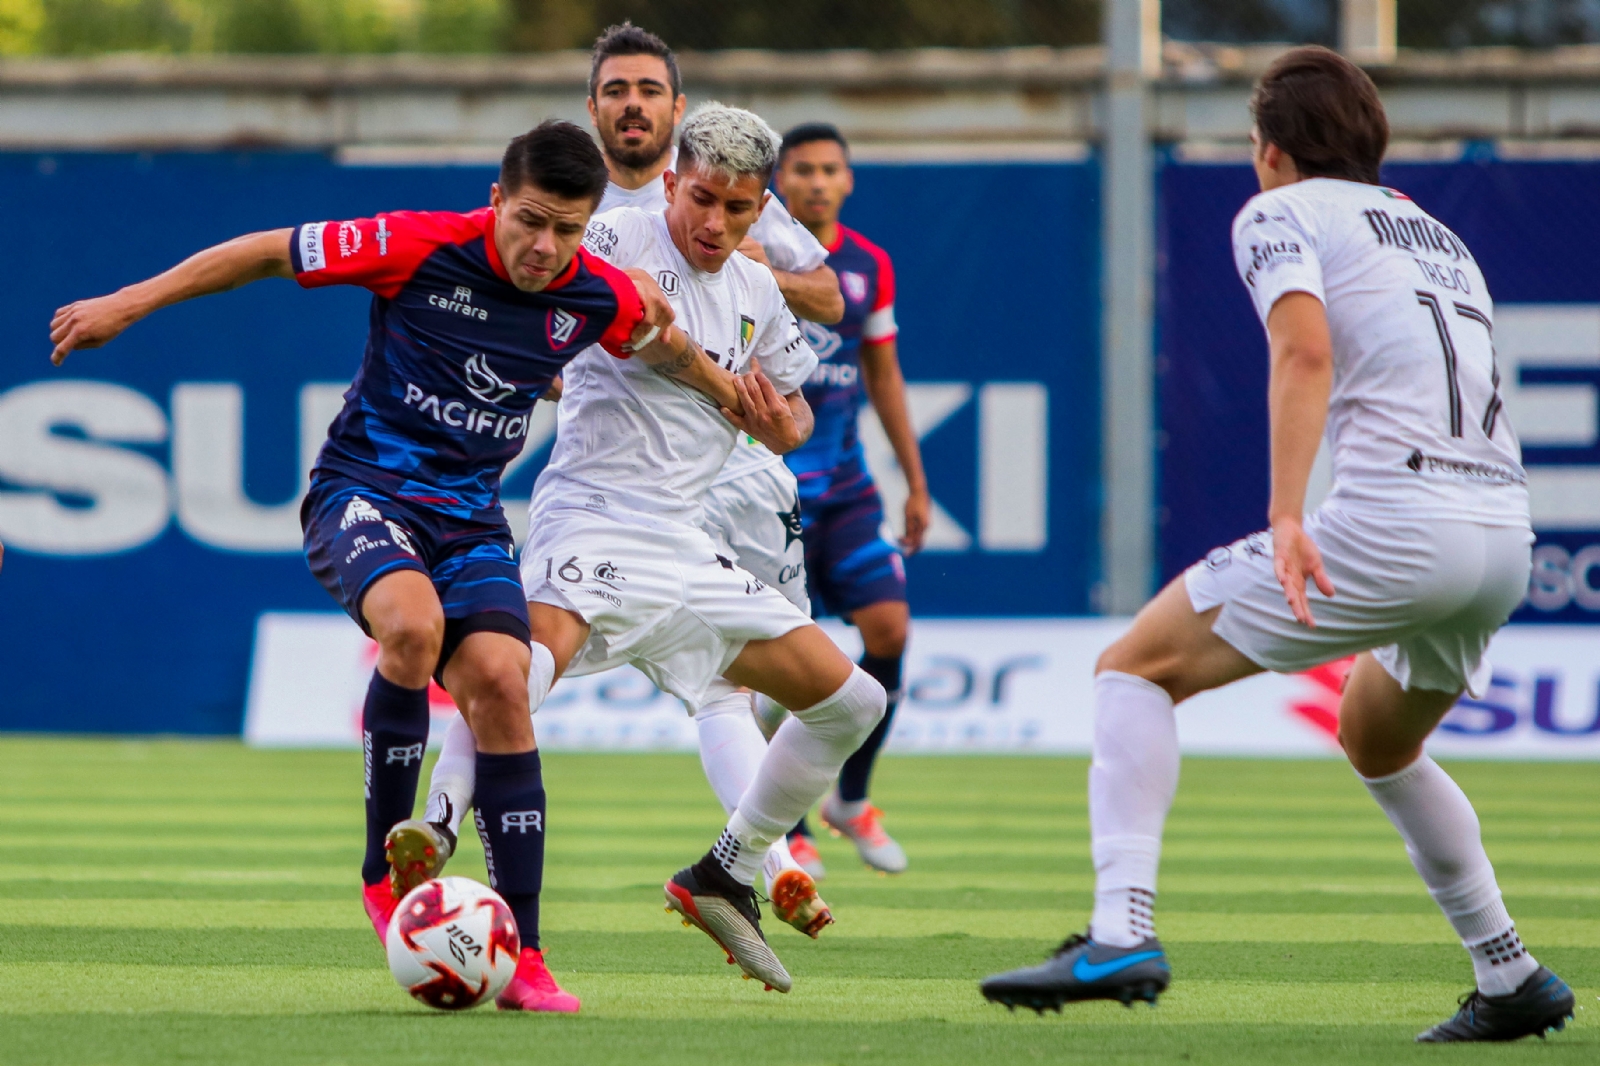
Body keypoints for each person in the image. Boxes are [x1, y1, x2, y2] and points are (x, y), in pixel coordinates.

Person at [45, 120, 723, 1014]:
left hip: (471, 518)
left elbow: (660, 337)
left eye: (567, 228)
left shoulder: (598, 295)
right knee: (411, 627)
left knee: (502, 682)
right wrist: (128, 304)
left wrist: (734, 396)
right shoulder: (416, 243)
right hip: (363, 492)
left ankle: (524, 953)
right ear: (495, 201)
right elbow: (265, 252)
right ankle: (383, 874)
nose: (543, 246)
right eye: (529, 221)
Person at [979, 47, 1576, 1044]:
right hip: (1498, 534)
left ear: (1269, 152)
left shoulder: (1279, 210)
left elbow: (1303, 349)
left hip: (1395, 521)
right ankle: (1507, 971)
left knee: (1134, 668)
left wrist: (1288, 513)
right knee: (1377, 737)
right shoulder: (1438, 235)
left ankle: (1119, 929)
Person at [418, 103, 886, 995]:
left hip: (688, 540)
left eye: (738, 211)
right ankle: (436, 826)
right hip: (592, 516)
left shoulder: (755, 288)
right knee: (515, 676)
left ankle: (726, 870)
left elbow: (796, 412)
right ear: (672, 182)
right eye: (702, 199)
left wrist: (778, 422)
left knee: (853, 702)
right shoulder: (616, 237)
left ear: (760, 212)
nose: (715, 224)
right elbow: (638, 335)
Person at [767, 122, 930, 877]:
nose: (817, 183)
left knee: (889, 631)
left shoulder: (869, 265)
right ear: (780, 179)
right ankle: (789, 824)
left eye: (831, 169)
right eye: (802, 170)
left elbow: (885, 376)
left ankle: (850, 802)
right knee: (788, 660)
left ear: (849, 179)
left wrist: (917, 483)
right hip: (770, 495)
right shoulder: (750, 249)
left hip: (850, 488)